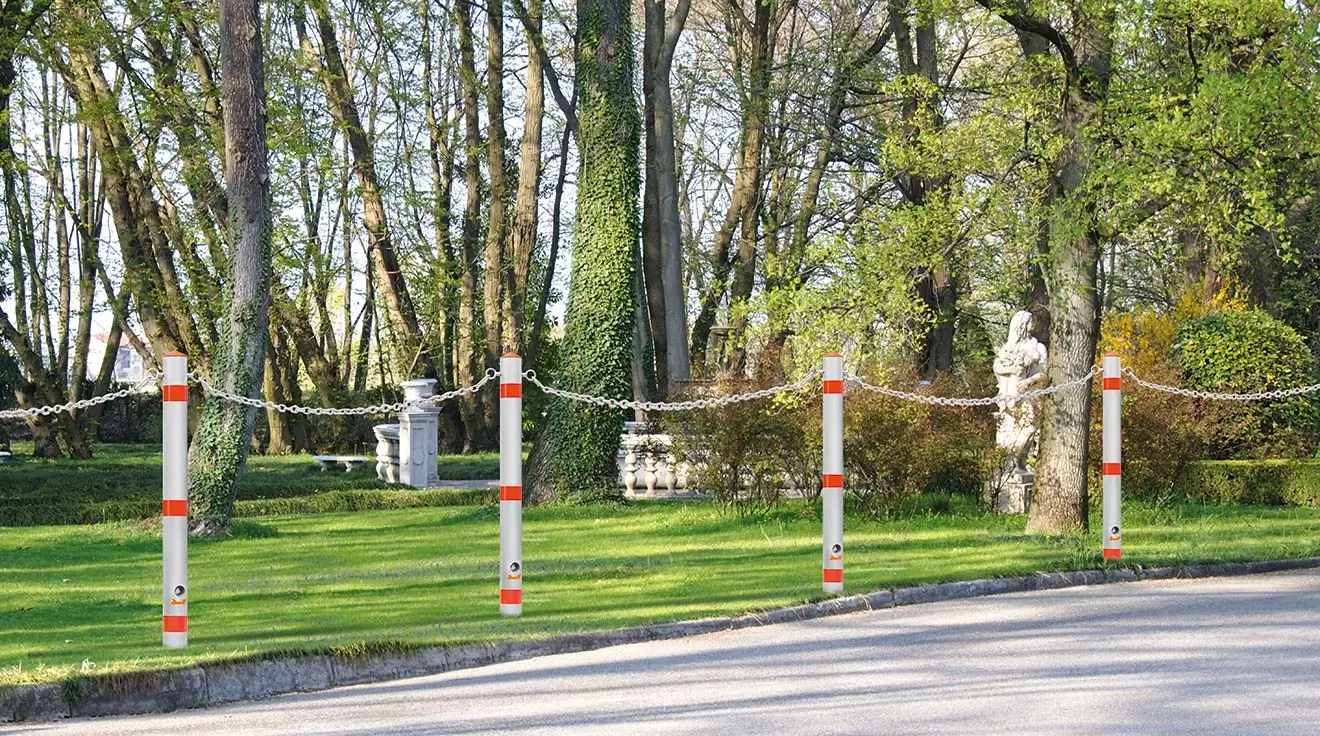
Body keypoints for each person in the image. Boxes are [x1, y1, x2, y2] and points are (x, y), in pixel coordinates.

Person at [992, 311, 1048, 471]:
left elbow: (1045, 373)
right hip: (1009, 394)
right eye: (1029, 321)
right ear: (1021, 325)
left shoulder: (1038, 347)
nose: (1032, 325)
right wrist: (1012, 369)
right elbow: (997, 367)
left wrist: (1028, 382)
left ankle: (1020, 462)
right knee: (1008, 429)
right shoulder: (1008, 347)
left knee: (1029, 428)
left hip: (1031, 396)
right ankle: (1007, 465)